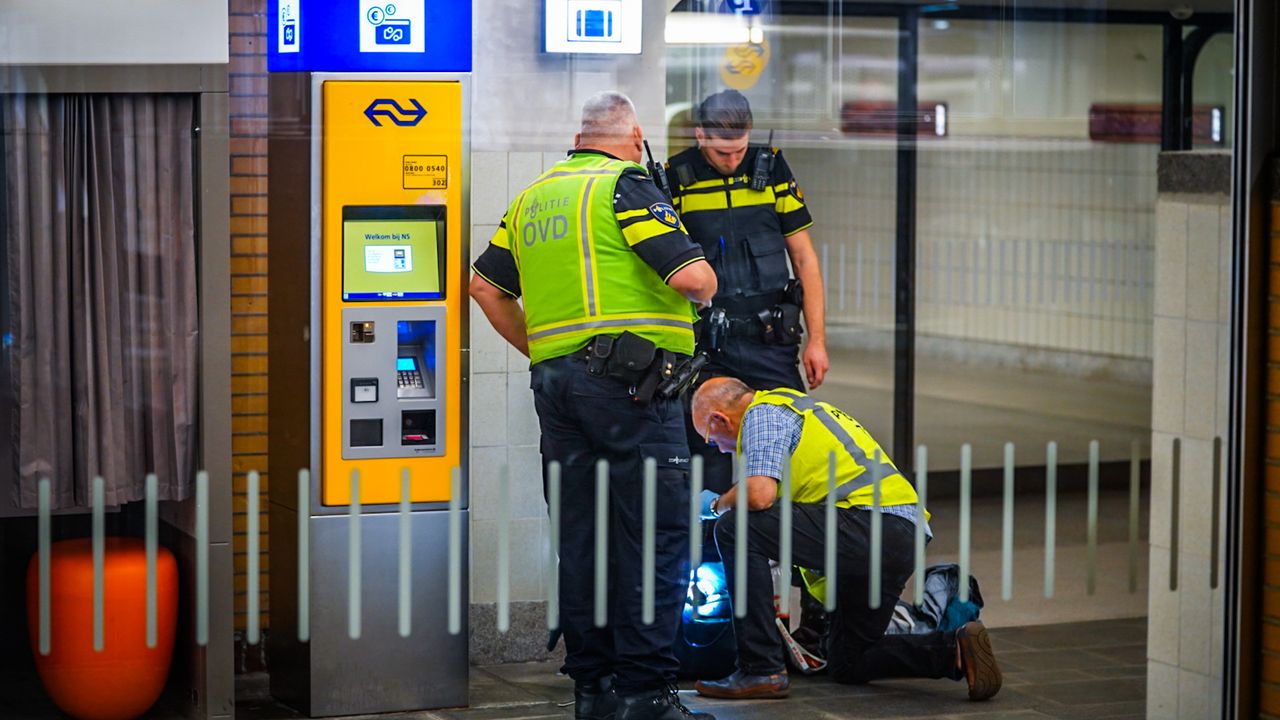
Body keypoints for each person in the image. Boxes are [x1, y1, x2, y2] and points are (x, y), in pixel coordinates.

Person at [470, 92, 719, 720]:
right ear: (635, 134)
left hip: (558, 392)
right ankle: (646, 691)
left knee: (583, 539)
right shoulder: (626, 185)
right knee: (654, 537)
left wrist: (548, 350)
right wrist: (706, 277)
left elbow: (484, 286)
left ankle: (594, 689)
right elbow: (692, 278)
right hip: (630, 391)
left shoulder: (533, 197)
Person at [687, 377, 1002, 702]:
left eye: (712, 441)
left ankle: (760, 668)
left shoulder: (764, 413)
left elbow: (759, 495)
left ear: (719, 420)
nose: (721, 449)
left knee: (734, 527)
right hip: (898, 536)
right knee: (849, 660)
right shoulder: (800, 407)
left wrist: (713, 505)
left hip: (871, 523)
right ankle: (954, 651)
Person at [665, 89, 830, 498]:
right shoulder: (676, 177)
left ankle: (787, 551)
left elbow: (804, 257)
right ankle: (712, 551)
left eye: (739, 149)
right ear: (700, 135)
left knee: (793, 442)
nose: (733, 160)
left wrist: (818, 340)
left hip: (769, 338)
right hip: (708, 343)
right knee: (708, 451)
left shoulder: (770, 168)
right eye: (723, 152)